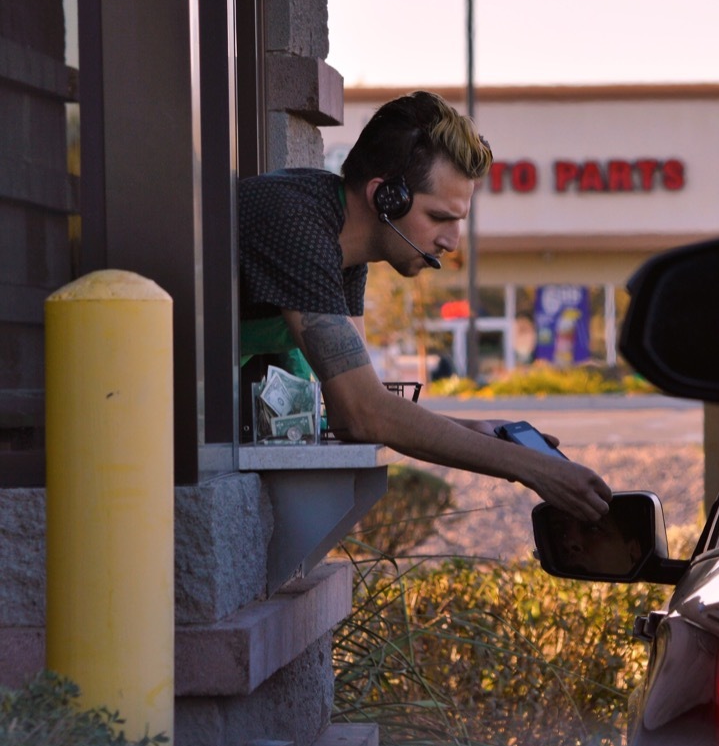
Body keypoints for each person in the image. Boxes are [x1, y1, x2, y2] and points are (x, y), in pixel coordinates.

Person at [238, 90, 611, 521]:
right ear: (385, 198)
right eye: (439, 218)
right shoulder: (300, 226)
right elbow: (363, 414)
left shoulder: (346, 251)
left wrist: (481, 432)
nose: (452, 242)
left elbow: (356, 402)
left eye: (458, 222)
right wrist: (531, 469)